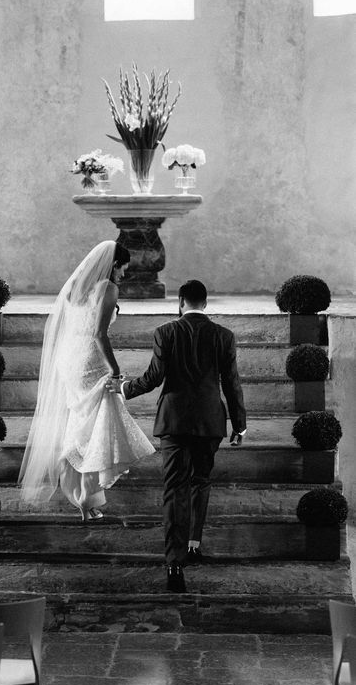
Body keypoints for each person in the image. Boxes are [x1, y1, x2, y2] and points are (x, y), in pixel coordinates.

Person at [109, 279, 247, 592]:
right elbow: (232, 383)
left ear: (181, 301)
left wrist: (124, 389)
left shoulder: (166, 332)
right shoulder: (224, 336)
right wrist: (239, 423)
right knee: (200, 481)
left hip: (174, 421)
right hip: (210, 421)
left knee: (174, 489)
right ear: (206, 304)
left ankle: (174, 562)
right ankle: (195, 544)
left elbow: (154, 377)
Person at [19, 240, 155, 520]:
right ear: (113, 264)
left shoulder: (74, 287)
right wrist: (116, 371)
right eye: (123, 269)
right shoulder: (108, 288)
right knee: (100, 429)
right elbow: (99, 334)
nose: (124, 275)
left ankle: (83, 494)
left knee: (84, 425)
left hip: (70, 360)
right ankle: (84, 495)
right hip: (90, 362)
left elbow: (72, 327)